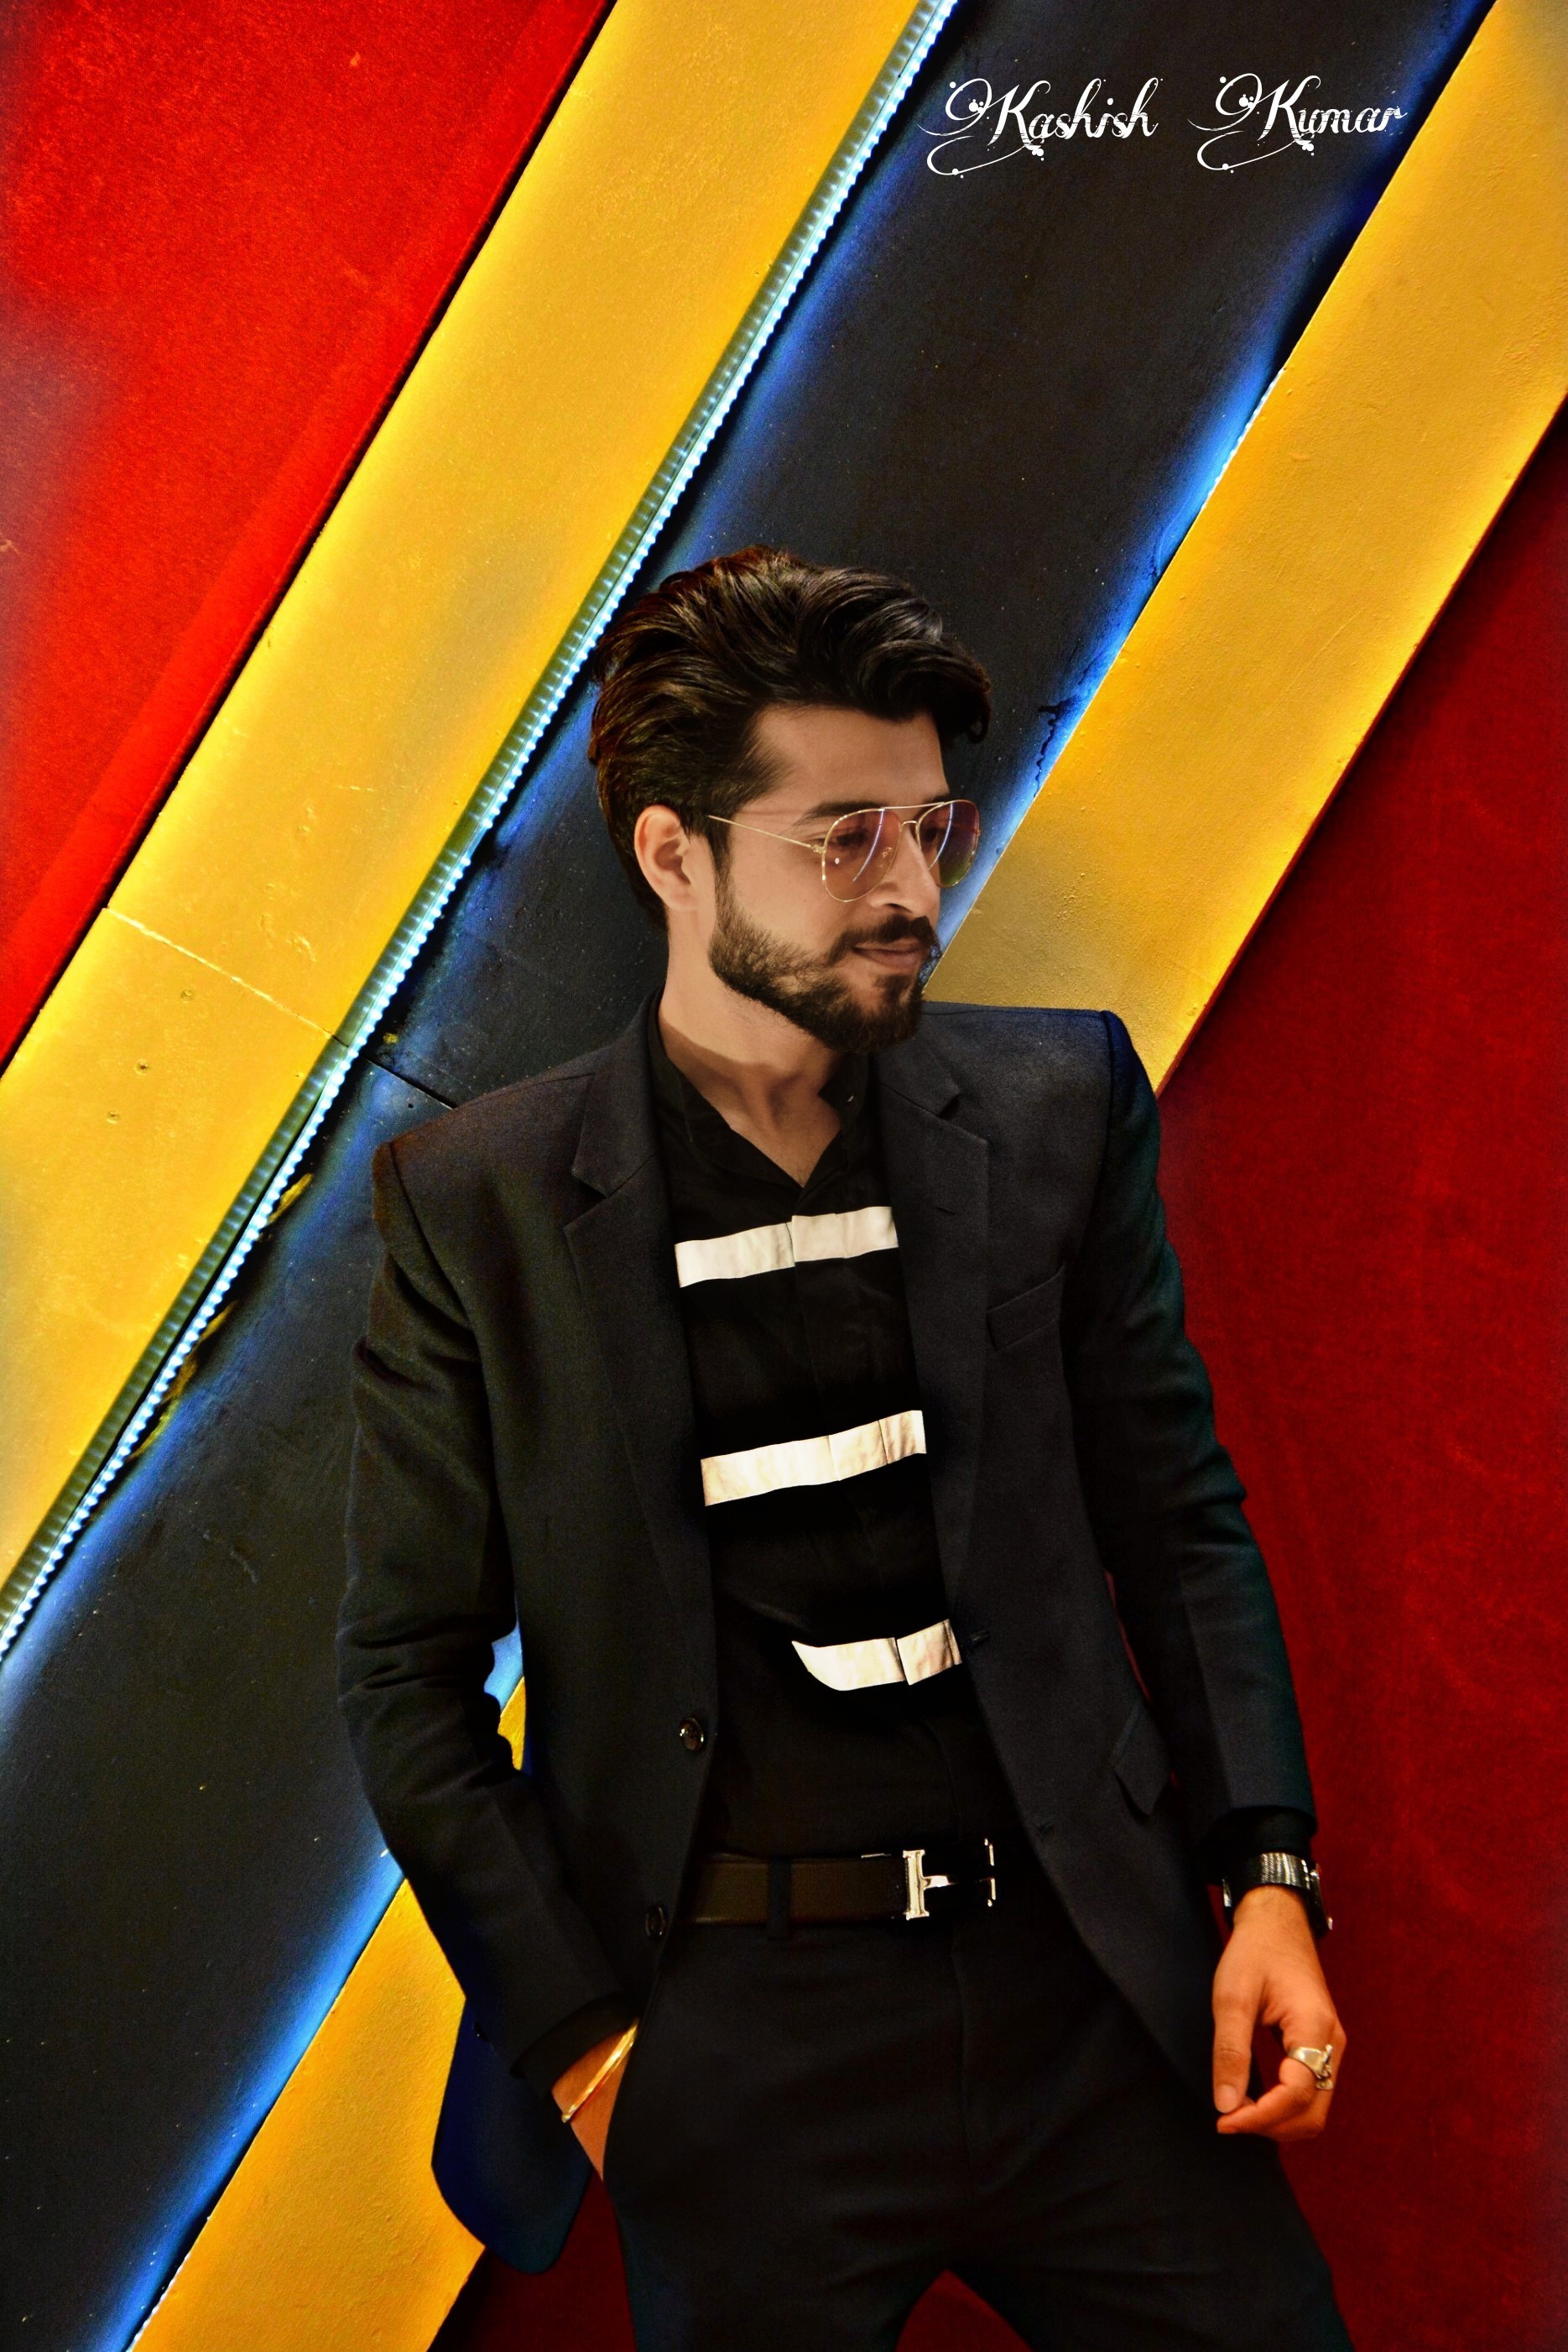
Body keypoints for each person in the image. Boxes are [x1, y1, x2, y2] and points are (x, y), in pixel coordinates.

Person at [337, 544, 1352, 2349]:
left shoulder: (1054, 1107)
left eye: (929, 828)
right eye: (842, 840)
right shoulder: (478, 1205)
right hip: (731, 2047)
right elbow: (405, 1677)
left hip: (1081, 1986)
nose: (909, 892)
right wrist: (588, 2052)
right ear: (672, 855)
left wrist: (1266, 1872)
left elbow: (1174, 1518)